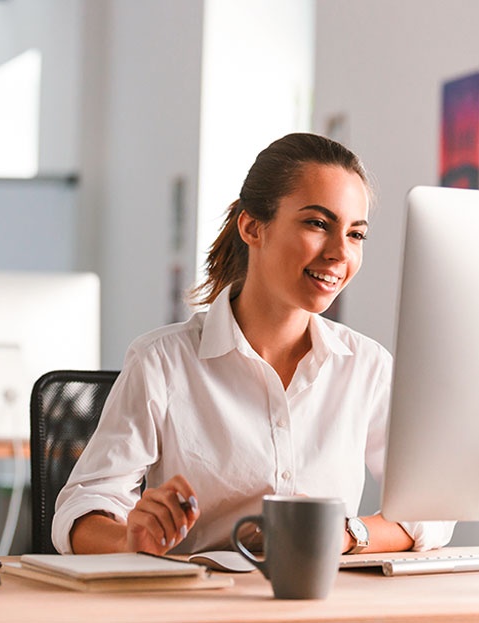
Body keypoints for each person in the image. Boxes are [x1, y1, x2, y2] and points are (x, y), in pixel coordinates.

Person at [53, 133, 455, 556]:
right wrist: (127, 540)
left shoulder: (366, 366)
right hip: (201, 605)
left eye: (356, 235)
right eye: (318, 224)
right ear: (252, 226)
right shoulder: (163, 362)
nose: (340, 253)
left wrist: (343, 535)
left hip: (320, 607)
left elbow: (432, 509)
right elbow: (82, 509)